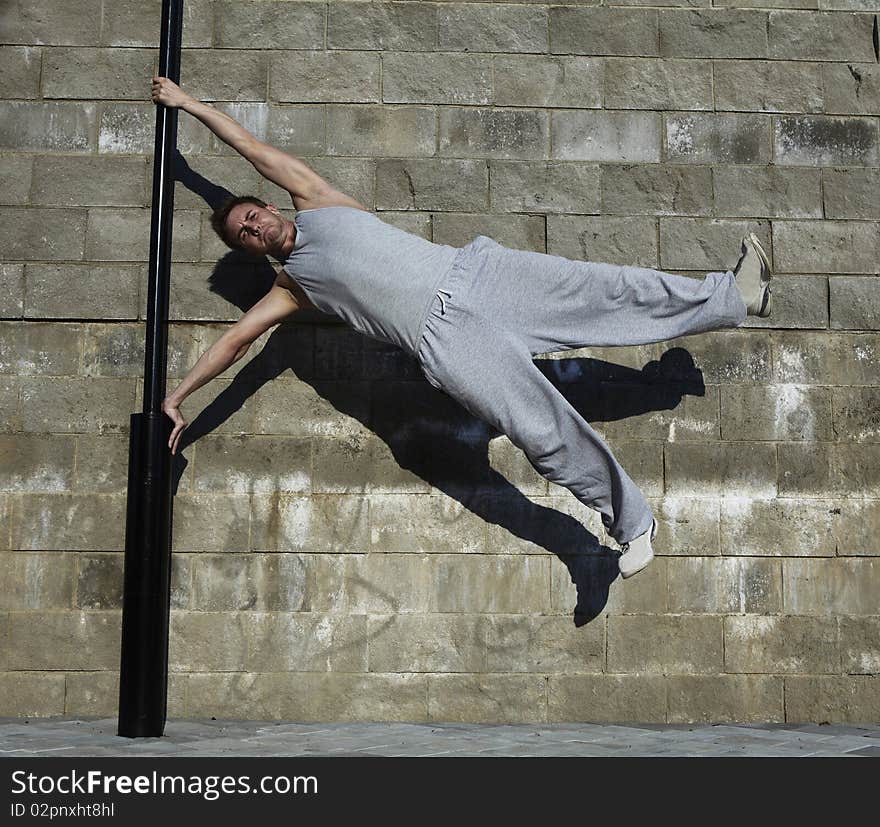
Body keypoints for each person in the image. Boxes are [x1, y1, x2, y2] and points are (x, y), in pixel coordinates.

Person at [151, 76, 771, 580]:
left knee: (603, 290)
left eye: (253, 215)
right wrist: (177, 399)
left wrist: (186, 105)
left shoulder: (317, 199)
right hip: (445, 342)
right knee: (541, 429)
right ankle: (632, 524)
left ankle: (729, 298)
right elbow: (233, 344)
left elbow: (251, 149)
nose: (255, 227)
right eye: (245, 236)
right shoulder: (291, 290)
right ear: (253, 250)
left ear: (269, 203)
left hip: (479, 275)